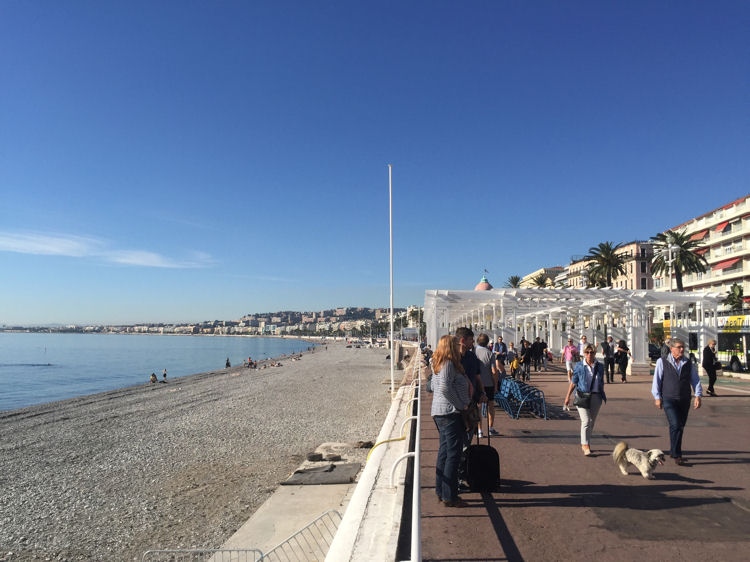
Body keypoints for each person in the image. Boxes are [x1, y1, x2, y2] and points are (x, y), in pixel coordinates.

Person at [430, 335, 471, 508]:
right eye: (455, 344)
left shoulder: (437, 364)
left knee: (445, 452)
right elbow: (445, 388)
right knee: (453, 454)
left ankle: (441, 491)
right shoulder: (447, 363)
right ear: (450, 346)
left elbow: (433, 387)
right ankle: (450, 496)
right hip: (449, 412)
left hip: (440, 412)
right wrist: (460, 404)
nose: (458, 346)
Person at [651, 338, 702, 465]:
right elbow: (656, 380)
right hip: (669, 398)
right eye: (679, 347)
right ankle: (677, 454)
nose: (682, 349)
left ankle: (674, 451)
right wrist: (657, 397)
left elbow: (695, 380)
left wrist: (698, 395)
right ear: (671, 349)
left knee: (679, 426)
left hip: (684, 399)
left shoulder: (687, 363)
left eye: (683, 347)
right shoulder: (662, 362)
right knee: (676, 425)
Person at [564, 344, 607, 456]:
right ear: (584, 353)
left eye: (591, 352)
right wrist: (567, 396)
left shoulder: (600, 366)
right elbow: (573, 382)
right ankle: (585, 445)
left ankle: (586, 441)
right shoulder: (579, 366)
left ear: (594, 353)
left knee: (591, 422)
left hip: (596, 397)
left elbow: (601, 381)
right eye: (587, 352)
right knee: (586, 421)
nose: (589, 354)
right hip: (582, 396)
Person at [474, 334, 500, 436]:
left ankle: (480, 430)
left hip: (477, 384)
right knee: (491, 406)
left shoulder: (474, 352)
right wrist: (496, 385)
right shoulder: (490, 353)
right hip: (489, 383)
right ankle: (491, 427)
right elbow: (494, 371)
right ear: (487, 342)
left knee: (478, 407)